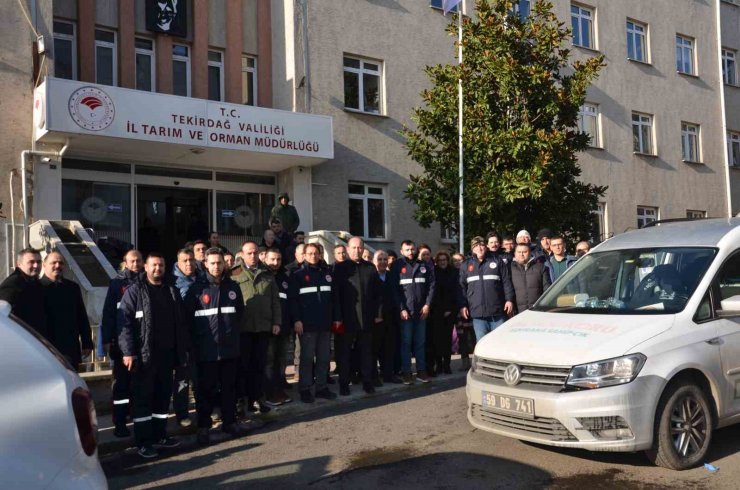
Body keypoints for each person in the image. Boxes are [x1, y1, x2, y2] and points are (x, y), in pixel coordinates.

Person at [118, 253, 188, 459]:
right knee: (143, 400)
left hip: (167, 356)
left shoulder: (171, 291)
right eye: (154, 265)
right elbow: (125, 325)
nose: (158, 269)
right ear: (146, 268)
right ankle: (144, 442)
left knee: (162, 398)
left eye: (161, 265)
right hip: (144, 357)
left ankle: (160, 435)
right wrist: (128, 352)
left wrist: (181, 350)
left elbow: (180, 324)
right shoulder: (135, 292)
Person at [185, 248, 244, 445]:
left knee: (229, 389)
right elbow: (188, 321)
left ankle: (230, 422)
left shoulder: (233, 288)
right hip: (206, 350)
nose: (217, 266)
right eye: (213, 263)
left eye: (219, 263)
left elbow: (239, 317)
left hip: (229, 349)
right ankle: (203, 426)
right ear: (205, 265)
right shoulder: (196, 290)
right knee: (205, 391)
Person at [231, 241, 281, 414]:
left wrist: (276, 322)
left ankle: (258, 398)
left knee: (259, 366)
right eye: (249, 253)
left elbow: (275, 299)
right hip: (243, 328)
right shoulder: (234, 273)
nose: (252, 256)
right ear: (242, 254)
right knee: (242, 367)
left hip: (263, 327)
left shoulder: (267, 272)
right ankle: (241, 401)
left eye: (255, 252)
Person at [333, 237, 383, 395]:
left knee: (366, 352)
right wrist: (337, 317)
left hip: (367, 317)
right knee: (344, 352)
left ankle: (367, 381)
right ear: (348, 249)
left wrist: (378, 314)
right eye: (353, 248)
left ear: (363, 249)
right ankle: (344, 383)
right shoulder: (339, 269)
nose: (357, 250)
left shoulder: (370, 268)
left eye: (360, 248)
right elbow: (335, 295)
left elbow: (378, 295)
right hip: (347, 318)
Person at [289, 243, 338, 403]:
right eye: (309, 253)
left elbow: (334, 299)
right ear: (303, 255)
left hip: (325, 323)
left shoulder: (327, 273)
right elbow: (293, 301)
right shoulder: (297, 274)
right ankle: (305, 389)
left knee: (324, 358)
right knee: (307, 358)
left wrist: (336, 318)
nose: (313, 256)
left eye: (315, 253)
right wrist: (297, 320)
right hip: (307, 325)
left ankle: (321, 388)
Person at [101, 249, 143, 437]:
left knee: (139, 385)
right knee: (121, 386)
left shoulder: (145, 282)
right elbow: (109, 314)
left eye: (139, 261)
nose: (136, 264)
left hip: (142, 343)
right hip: (121, 343)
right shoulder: (117, 284)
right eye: (132, 261)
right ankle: (120, 422)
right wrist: (107, 340)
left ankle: (138, 418)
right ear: (126, 263)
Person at [40, 251, 93, 369]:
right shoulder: (37, 288)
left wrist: (87, 342)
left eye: (60, 263)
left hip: (70, 349)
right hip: (46, 349)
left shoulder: (72, 288)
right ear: (44, 265)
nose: (58, 266)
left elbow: (81, 316)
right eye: (53, 263)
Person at [392, 240, 435, 385]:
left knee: (420, 343)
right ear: (401, 251)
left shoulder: (423, 265)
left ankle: (421, 371)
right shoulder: (397, 266)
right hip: (406, 313)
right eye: (407, 250)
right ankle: (407, 372)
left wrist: (427, 305)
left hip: (421, 312)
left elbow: (431, 287)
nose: (410, 252)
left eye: (412, 249)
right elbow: (395, 290)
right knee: (406, 343)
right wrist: (401, 308)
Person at [459, 236, 515, 342]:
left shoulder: (497, 261)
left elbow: (506, 282)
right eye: (476, 246)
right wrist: (462, 305)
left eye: (481, 245)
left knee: (499, 343)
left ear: (486, 247)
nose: (479, 248)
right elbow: (461, 287)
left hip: (497, 312)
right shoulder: (466, 265)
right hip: (477, 314)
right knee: (482, 344)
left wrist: (509, 300)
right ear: (472, 249)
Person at [171, 248, 202, 428]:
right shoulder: (172, 283)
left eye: (191, 260)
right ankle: (182, 415)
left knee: (200, 379)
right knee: (182, 381)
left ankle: (202, 411)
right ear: (178, 262)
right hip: (182, 340)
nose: (189, 264)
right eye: (185, 260)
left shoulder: (202, 279)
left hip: (201, 338)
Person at [263, 248, 293, 407]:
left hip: (285, 326)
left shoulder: (285, 277)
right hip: (268, 327)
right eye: (272, 259)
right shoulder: (262, 276)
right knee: (269, 361)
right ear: (265, 259)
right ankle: (269, 393)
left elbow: (291, 301)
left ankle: (279, 389)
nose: (275, 263)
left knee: (281, 361)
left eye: (279, 259)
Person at [0, 248, 47, 337]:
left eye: (39, 262)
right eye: (31, 262)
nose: (36, 265)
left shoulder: (35, 282)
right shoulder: (13, 283)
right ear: (19, 264)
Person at [372, 250, 401, 384]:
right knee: (375, 349)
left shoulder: (392, 276)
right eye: (380, 259)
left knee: (389, 348)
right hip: (376, 319)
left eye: (385, 259)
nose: (383, 262)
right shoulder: (371, 276)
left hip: (391, 318)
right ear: (374, 261)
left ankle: (388, 375)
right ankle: (374, 376)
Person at [427, 251, 458, 376]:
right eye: (440, 260)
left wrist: (450, 309)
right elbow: (433, 293)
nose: (442, 262)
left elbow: (455, 292)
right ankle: (439, 365)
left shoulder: (454, 272)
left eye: (444, 260)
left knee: (447, 340)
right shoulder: (433, 272)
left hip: (450, 311)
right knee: (437, 340)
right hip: (436, 312)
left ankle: (447, 365)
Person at [510, 243, 552, 314]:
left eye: (524, 252)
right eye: (519, 252)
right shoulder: (509, 269)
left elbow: (547, 289)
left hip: (537, 311)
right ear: (515, 253)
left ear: (530, 253)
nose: (522, 254)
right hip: (518, 313)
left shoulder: (541, 267)